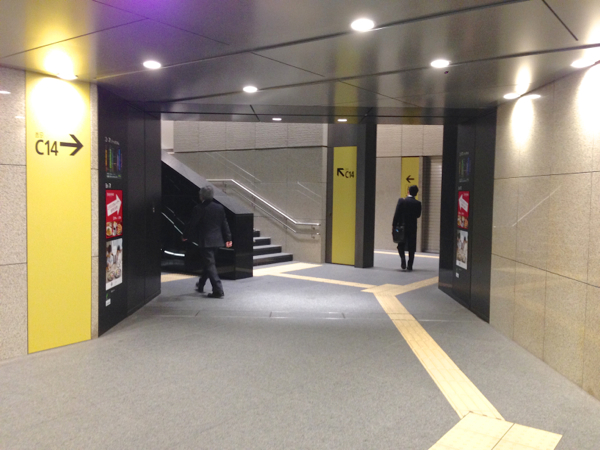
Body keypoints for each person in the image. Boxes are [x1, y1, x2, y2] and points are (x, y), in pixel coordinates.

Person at [183, 185, 232, 298]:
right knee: (208, 263)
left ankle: (218, 290)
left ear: (202, 196)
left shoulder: (199, 208)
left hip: (206, 241)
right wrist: (228, 238)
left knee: (210, 265)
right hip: (218, 240)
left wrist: (185, 235)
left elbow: (192, 224)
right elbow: (224, 223)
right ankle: (201, 284)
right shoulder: (219, 207)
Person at [392, 185, 422, 271]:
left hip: (402, 227)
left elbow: (396, 214)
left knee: (400, 244)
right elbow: (418, 215)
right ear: (416, 193)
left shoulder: (402, 201)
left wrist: (394, 225)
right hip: (412, 227)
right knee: (412, 246)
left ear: (408, 192)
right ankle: (410, 265)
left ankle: (403, 259)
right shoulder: (418, 203)